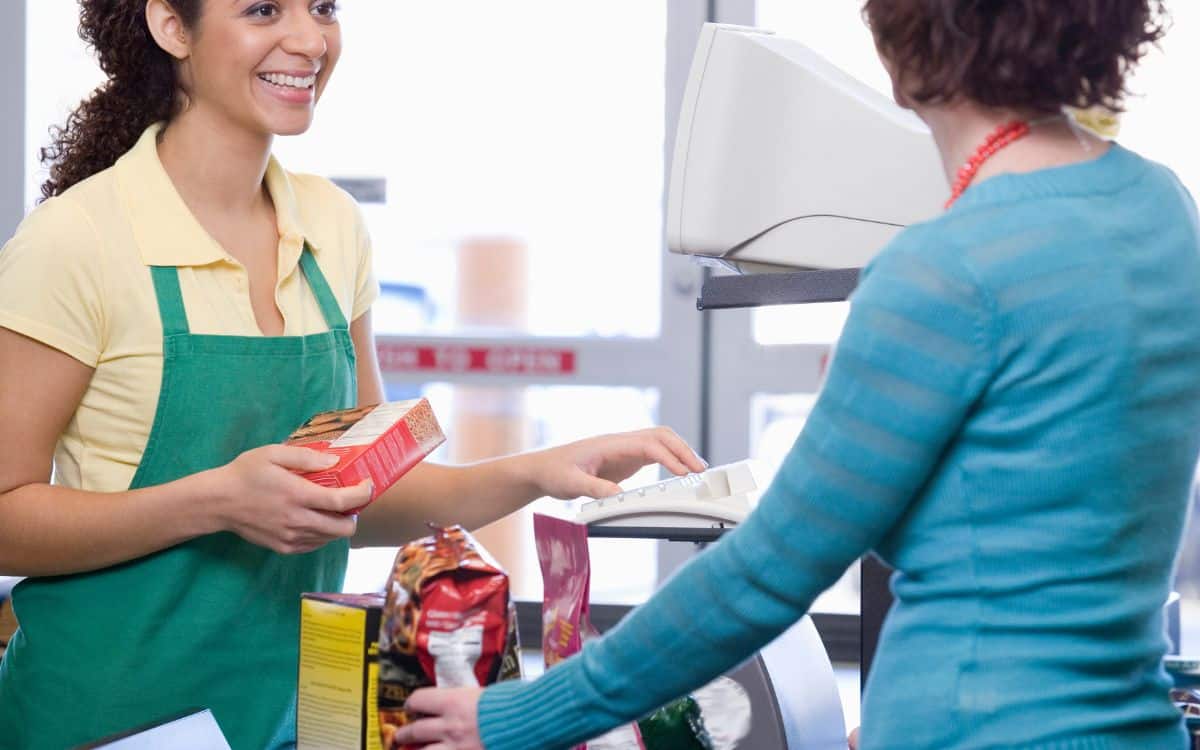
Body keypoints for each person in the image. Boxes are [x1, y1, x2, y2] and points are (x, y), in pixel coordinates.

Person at [397, 1, 1200, 748]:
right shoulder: (1159, 206)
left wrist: (515, 718)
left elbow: (767, 573)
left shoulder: (943, 270)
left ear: (902, 40)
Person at [0, 2, 703, 749]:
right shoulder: (79, 240)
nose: (309, 40)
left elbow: (369, 493)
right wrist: (217, 503)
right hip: (103, 723)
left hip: (285, 720)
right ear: (173, 26)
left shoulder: (330, 228)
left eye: (324, 8)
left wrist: (543, 470)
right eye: (263, 9)